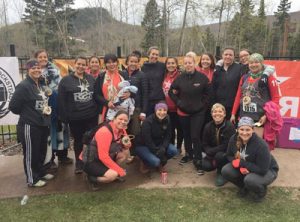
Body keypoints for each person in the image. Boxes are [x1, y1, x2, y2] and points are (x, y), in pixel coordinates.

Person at [9, 59, 54, 187]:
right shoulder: (23, 86)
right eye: (33, 68)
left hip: (43, 123)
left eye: (38, 68)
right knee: (31, 153)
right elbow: (13, 107)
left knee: (41, 151)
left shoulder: (40, 84)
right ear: (28, 70)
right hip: (30, 125)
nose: (36, 70)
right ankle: (32, 179)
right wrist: (29, 114)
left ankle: (40, 172)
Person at [169, 54, 211, 175]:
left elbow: (208, 94)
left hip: (198, 113)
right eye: (186, 63)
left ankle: (198, 159)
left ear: (194, 63)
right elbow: (171, 92)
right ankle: (188, 154)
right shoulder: (180, 78)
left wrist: (202, 105)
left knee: (195, 136)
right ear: (183, 64)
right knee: (186, 135)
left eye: (190, 62)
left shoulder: (202, 78)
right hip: (183, 112)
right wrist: (178, 102)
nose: (188, 65)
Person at [221, 116, 279, 202]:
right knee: (226, 170)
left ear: (253, 130)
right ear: (237, 129)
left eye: (248, 130)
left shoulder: (261, 145)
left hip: (268, 170)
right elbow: (229, 155)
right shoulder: (233, 139)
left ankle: (261, 191)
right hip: (248, 165)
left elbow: (263, 169)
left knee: (250, 179)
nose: (244, 133)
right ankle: (245, 187)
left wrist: (242, 164)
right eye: (242, 129)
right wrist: (235, 162)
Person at [58, 56, 98, 174]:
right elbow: (61, 100)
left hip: (91, 116)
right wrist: (64, 117)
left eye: (83, 64)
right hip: (75, 118)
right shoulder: (65, 81)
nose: (81, 66)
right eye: (78, 64)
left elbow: (96, 96)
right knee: (78, 141)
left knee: (91, 140)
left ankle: (90, 162)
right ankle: (79, 164)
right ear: (75, 64)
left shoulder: (91, 79)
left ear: (87, 66)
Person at [35, 49, 72, 168]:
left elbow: (61, 86)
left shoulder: (55, 71)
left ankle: (62, 155)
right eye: (40, 57)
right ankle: (49, 159)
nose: (43, 59)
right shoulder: (34, 72)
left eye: (45, 57)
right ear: (36, 59)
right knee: (48, 133)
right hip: (43, 107)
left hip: (57, 104)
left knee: (61, 129)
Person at [230, 53, 280, 138]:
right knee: (243, 142)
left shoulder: (269, 78)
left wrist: (267, 115)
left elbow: (276, 99)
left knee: (257, 144)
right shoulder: (244, 77)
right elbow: (238, 96)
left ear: (262, 63)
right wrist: (233, 113)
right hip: (244, 115)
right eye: (251, 63)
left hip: (260, 117)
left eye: (256, 62)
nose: (253, 65)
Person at [82, 110, 131, 186]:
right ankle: (91, 178)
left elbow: (126, 143)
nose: (123, 122)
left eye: (125, 120)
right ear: (114, 119)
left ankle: (108, 171)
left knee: (124, 154)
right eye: (120, 119)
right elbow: (103, 156)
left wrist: (127, 145)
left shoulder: (122, 129)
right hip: (91, 160)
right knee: (112, 175)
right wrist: (119, 170)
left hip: (103, 157)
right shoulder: (105, 132)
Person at [135, 102, 177, 173]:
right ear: (155, 110)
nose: (162, 112)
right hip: (144, 145)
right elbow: (147, 139)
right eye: (159, 110)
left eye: (164, 110)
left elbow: (168, 135)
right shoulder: (148, 121)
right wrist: (156, 151)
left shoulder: (167, 119)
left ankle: (160, 163)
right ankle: (143, 161)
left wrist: (163, 147)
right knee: (155, 162)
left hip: (158, 143)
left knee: (173, 150)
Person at [121, 53, 148, 162]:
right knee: (123, 131)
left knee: (135, 131)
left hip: (136, 108)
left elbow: (145, 94)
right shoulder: (122, 74)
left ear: (138, 63)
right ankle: (125, 152)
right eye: (131, 61)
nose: (133, 63)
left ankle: (135, 153)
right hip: (122, 109)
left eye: (135, 61)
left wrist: (143, 111)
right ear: (127, 62)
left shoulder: (142, 75)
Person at [202, 103, 236, 186]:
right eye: (214, 111)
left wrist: (211, 151)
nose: (217, 114)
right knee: (205, 165)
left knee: (219, 156)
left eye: (220, 111)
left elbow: (226, 145)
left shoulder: (229, 126)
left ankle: (222, 173)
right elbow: (204, 143)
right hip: (214, 152)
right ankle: (218, 166)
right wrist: (208, 151)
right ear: (211, 114)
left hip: (227, 153)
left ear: (224, 114)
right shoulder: (208, 126)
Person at [94, 54, 128, 122]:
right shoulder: (101, 77)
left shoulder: (123, 75)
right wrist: (107, 103)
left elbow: (130, 89)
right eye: (109, 62)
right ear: (105, 64)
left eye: (114, 62)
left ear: (117, 63)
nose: (111, 64)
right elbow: (96, 95)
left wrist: (129, 94)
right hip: (106, 108)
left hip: (121, 109)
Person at [212, 47, 242, 119]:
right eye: (226, 54)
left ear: (234, 57)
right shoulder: (217, 69)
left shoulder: (240, 68)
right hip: (218, 106)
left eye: (230, 55)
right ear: (222, 56)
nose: (228, 56)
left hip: (233, 106)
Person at [162, 57, 183, 154]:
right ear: (166, 65)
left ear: (176, 64)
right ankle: (170, 147)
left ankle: (178, 147)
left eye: (173, 63)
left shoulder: (180, 76)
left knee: (179, 129)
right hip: (167, 108)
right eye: (168, 63)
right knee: (169, 129)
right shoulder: (164, 75)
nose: (170, 65)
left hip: (177, 108)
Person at [141, 46, 165, 116]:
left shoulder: (162, 66)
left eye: (156, 55)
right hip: (148, 100)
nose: (154, 56)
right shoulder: (143, 68)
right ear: (148, 55)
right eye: (153, 54)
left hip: (160, 99)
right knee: (150, 121)